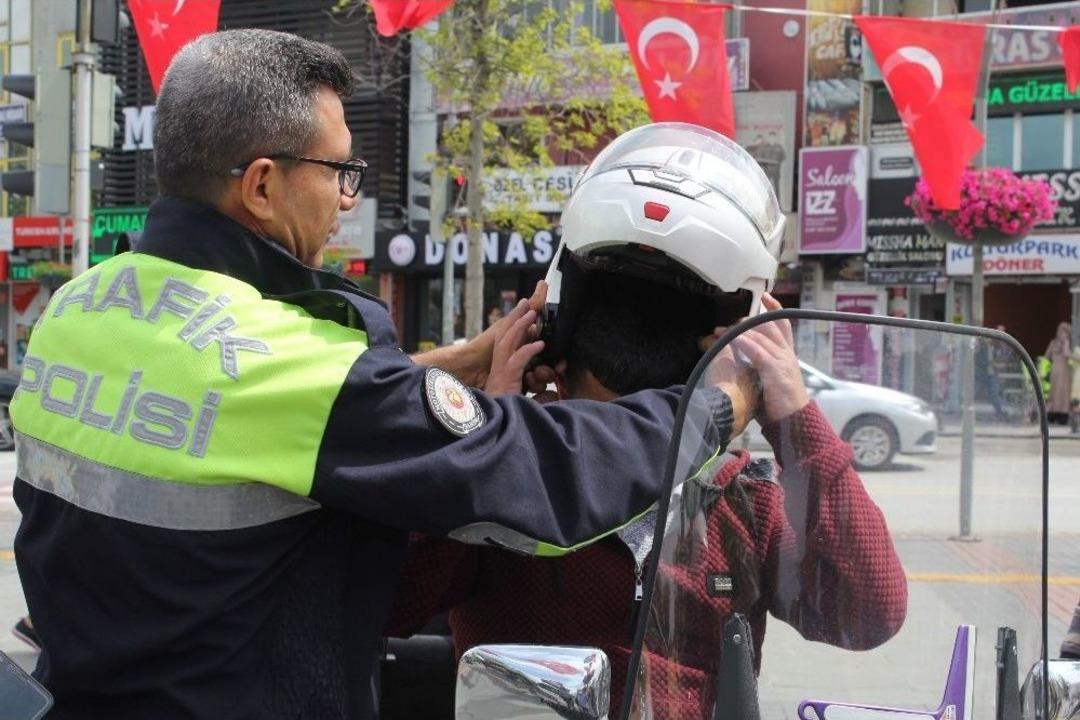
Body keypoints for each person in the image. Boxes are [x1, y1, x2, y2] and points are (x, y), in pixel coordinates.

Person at [9, 32, 752, 720]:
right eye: (339, 170)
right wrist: (723, 400)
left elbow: (255, 413)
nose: (346, 198)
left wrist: (462, 361)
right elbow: (544, 480)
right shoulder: (286, 360)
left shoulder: (83, 305)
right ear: (262, 186)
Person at [386, 123, 908, 718]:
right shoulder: (509, 478)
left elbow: (868, 614)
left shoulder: (741, 498)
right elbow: (391, 601)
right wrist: (485, 438)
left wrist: (796, 416)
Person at [1046, 321, 1072, 425]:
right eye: (1061, 331)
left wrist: (1065, 342)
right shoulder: (1057, 342)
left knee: (1060, 393)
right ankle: (1056, 415)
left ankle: (1059, 415)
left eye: (1064, 332)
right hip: (1058, 370)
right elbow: (1048, 355)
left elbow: (1065, 354)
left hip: (1060, 370)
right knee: (1057, 392)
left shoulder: (1060, 342)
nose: (1062, 334)